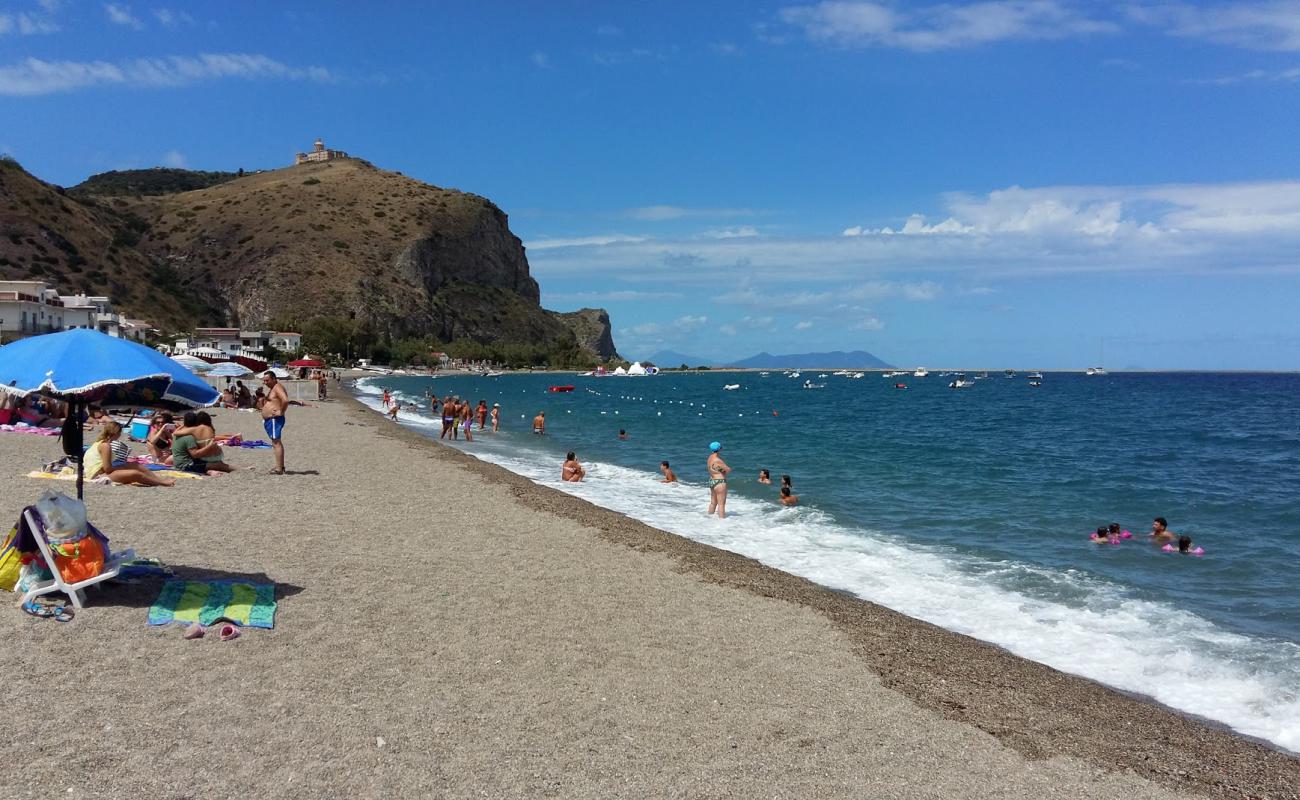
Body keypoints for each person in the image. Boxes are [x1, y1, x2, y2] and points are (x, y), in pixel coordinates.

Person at [83, 422, 174, 486]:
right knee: (135, 473)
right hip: (97, 475)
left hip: (96, 471)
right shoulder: (105, 446)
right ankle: (161, 483)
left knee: (136, 465)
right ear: (116, 432)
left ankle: (159, 480)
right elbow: (108, 469)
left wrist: (124, 466)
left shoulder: (99, 442)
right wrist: (123, 467)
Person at [260, 370, 289, 474]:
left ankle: (279, 468)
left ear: (274, 379)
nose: (265, 382)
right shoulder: (273, 388)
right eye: (264, 381)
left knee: (276, 442)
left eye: (267, 380)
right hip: (271, 419)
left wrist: (281, 411)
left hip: (274, 419)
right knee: (275, 441)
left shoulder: (277, 387)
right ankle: (280, 466)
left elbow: (285, 400)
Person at [706, 441, 730, 519]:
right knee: (721, 505)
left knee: (713, 503)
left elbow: (714, 468)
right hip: (720, 482)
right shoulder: (717, 460)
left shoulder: (710, 458)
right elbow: (728, 470)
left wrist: (720, 469)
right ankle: (722, 523)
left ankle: (709, 518)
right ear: (719, 449)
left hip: (712, 480)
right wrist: (724, 470)